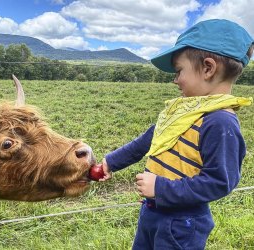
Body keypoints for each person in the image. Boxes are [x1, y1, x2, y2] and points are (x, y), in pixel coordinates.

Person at [99, 19, 254, 250]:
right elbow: (147, 140)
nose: (174, 80)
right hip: (151, 212)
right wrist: (111, 162)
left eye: (179, 71)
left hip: (182, 224)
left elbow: (221, 182)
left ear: (208, 68)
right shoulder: (181, 113)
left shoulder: (220, 122)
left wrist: (161, 189)